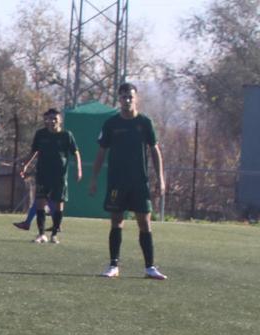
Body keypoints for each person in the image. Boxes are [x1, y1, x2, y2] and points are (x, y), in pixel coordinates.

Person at [88, 82, 167, 280]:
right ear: (119, 99)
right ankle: (113, 265)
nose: (127, 100)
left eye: (130, 96)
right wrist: (94, 178)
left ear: (136, 98)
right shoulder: (111, 124)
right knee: (116, 221)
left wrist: (161, 179)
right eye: (123, 97)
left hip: (139, 182)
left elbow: (154, 150)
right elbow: (101, 153)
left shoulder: (144, 123)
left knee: (144, 222)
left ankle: (150, 267)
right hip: (117, 182)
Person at [20, 108, 81, 243]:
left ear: (60, 120)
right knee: (40, 203)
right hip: (43, 174)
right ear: (46, 120)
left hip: (59, 176)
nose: (52, 121)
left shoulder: (67, 135)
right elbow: (34, 151)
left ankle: (54, 234)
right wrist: (25, 164)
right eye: (50, 118)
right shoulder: (41, 134)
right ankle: (41, 234)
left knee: (58, 205)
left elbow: (75, 152)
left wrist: (79, 169)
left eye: (55, 118)